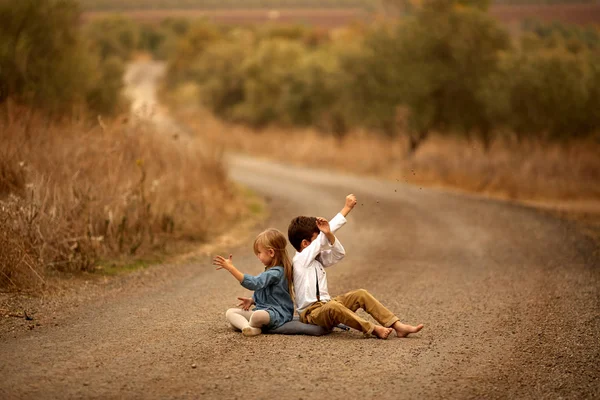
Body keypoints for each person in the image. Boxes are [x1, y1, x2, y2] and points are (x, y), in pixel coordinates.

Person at [288, 194, 424, 339]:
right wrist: (346, 208)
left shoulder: (316, 259)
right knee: (333, 307)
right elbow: (322, 240)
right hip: (312, 314)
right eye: (318, 237)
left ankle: (397, 326)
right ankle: (372, 328)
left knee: (361, 294)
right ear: (305, 244)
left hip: (327, 305)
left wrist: (330, 235)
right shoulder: (301, 259)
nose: (322, 240)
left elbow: (339, 253)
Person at [213, 228, 294, 337]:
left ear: (271, 252)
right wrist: (252, 300)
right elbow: (268, 292)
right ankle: (248, 327)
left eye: (259, 252)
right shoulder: (270, 270)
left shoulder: (276, 272)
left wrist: (231, 269)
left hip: (277, 314)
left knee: (257, 316)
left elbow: (254, 283)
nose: (258, 256)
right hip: (264, 311)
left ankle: (246, 325)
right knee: (230, 312)